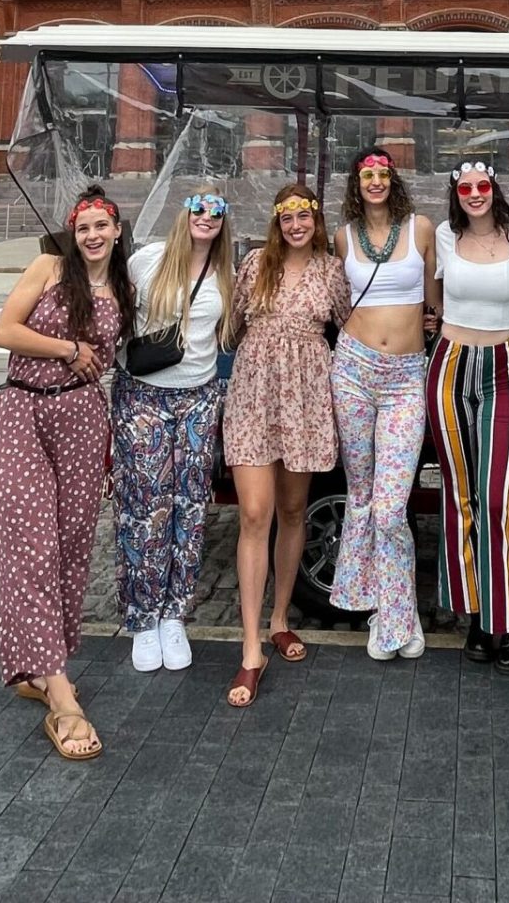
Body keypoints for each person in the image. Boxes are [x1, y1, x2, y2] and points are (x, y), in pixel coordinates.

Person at [0, 184, 131, 761]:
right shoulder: (48, 267)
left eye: (102, 226)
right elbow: (5, 332)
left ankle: (39, 668)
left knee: (71, 545)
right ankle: (64, 698)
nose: (93, 235)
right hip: (23, 408)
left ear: (118, 232)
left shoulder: (125, 286)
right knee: (30, 543)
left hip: (82, 415)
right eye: (84, 227)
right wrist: (68, 347)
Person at [222, 180, 349, 707]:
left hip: (306, 396)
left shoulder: (332, 270)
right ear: (277, 222)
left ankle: (279, 620)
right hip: (254, 391)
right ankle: (251, 647)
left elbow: (354, 327)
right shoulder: (255, 264)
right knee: (255, 512)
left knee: (294, 510)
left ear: (316, 221)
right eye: (287, 217)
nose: (296, 225)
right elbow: (226, 324)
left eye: (305, 217)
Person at [112, 190, 238, 674]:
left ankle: (174, 615)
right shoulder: (148, 261)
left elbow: (229, 333)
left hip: (198, 399)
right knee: (145, 506)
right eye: (199, 208)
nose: (207, 217)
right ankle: (143, 617)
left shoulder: (225, 273)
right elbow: (110, 308)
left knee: (188, 509)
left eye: (217, 211)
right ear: (184, 214)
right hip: (141, 395)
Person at [428, 156, 509, 671]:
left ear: (494, 189)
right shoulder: (442, 237)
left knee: (498, 496)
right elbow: (434, 297)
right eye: (465, 187)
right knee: (459, 493)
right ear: (455, 193)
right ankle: (477, 613)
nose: (474, 193)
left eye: (482, 185)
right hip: (450, 363)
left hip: (501, 364)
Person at [330, 148, 438, 660]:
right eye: (366, 174)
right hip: (352, 369)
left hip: (404, 378)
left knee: (392, 506)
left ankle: (400, 609)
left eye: (382, 173)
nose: (375, 181)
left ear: (393, 179)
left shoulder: (421, 229)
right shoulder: (343, 236)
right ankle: (385, 612)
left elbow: (435, 298)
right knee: (362, 495)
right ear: (357, 181)